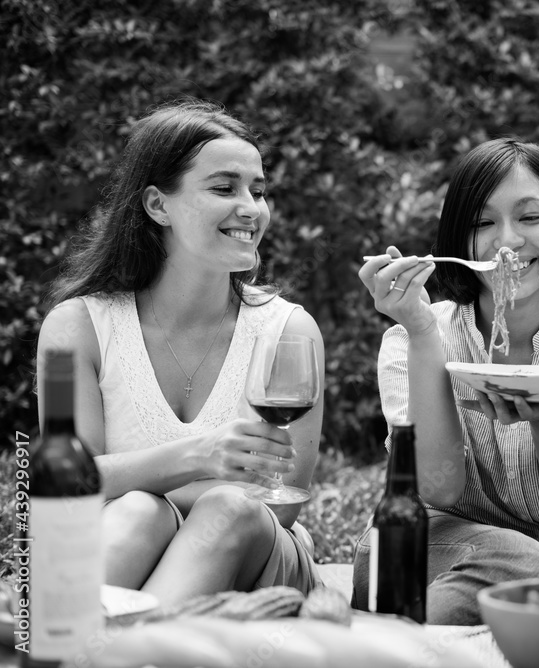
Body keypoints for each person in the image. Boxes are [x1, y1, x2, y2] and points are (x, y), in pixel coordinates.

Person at [36, 100, 325, 605]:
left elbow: (280, 505)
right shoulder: (75, 328)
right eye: (224, 188)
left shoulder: (288, 330)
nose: (251, 208)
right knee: (138, 513)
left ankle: (89, 643)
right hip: (128, 542)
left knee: (227, 508)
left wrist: (133, 482)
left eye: (258, 191)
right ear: (157, 205)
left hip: (257, 555)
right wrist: (196, 457)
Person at [356, 138, 539, 624]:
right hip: (426, 556)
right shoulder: (408, 338)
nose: (507, 241)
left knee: (531, 565)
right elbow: (437, 488)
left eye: (530, 217)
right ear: (460, 239)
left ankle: (388, 638)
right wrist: (421, 330)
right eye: (482, 224)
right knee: (520, 560)